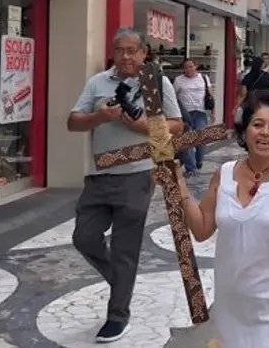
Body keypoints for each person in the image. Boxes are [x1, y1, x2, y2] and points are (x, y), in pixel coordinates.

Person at [177, 90, 269, 348]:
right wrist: (177, 184)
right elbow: (201, 229)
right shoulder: (224, 174)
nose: (265, 132)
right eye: (258, 124)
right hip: (232, 307)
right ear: (245, 132)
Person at [67, 28, 184, 342]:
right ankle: (120, 280)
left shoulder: (156, 81)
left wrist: (141, 125)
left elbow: (176, 124)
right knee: (84, 237)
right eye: (120, 50)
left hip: (137, 174)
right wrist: (99, 117)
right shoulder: (98, 83)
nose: (126, 56)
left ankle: (118, 315)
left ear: (143, 52)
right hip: (99, 174)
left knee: (125, 248)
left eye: (132, 50)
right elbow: (72, 121)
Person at [173, 59, 210, 177]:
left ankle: (199, 160)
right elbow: (174, 97)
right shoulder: (178, 80)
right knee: (188, 139)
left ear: (196, 66)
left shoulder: (204, 78)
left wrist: (213, 111)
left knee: (201, 138)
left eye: (191, 67)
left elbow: (209, 95)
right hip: (185, 113)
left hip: (200, 112)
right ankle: (191, 168)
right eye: (186, 67)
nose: (188, 69)